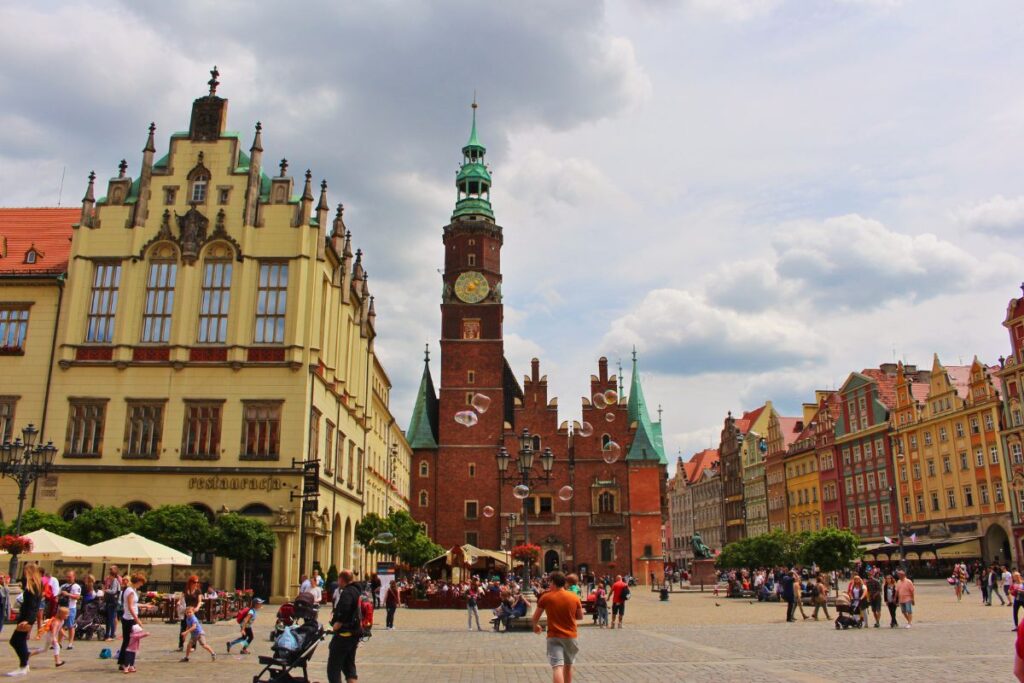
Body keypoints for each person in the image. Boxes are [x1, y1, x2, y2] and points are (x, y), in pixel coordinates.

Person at [532, 571, 583, 683]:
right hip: (571, 636)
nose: (549, 584)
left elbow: (535, 617)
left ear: (553, 582)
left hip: (554, 635)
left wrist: (536, 626)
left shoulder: (546, 597)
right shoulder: (574, 597)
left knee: (557, 667)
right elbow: (580, 617)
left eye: (549, 582)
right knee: (568, 665)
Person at [327, 569, 362, 683]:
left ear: (341, 580)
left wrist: (338, 622)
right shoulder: (356, 590)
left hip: (344, 634)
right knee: (348, 666)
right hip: (354, 633)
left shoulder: (347, 592)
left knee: (333, 667)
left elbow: (345, 608)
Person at [7, 564, 42, 677]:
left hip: (27, 618)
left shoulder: (32, 586)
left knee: (15, 641)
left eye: (25, 570)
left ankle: (23, 665)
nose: (24, 572)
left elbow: (33, 605)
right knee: (20, 640)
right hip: (27, 618)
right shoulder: (35, 585)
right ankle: (25, 664)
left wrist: (27, 620)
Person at [117, 572, 145, 671]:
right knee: (129, 642)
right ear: (137, 581)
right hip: (129, 619)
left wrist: (145, 605)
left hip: (129, 618)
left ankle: (123, 662)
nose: (141, 585)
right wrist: (137, 620)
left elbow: (133, 604)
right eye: (141, 583)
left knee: (127, 641)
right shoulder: (130, 591)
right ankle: (125, 663)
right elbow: (130, 607)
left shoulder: (132, 589)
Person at [178, 575, 203, 651]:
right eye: (195, 582)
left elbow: (199, 601)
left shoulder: (198, 591)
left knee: (194, 629)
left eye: (197, 582)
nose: (196, 583)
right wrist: (179, 602)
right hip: (186, 611)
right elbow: (181, 598)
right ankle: (181, 645)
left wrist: (197, 608)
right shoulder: (185, 590)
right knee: (183, 628)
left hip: (194, 612)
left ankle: (193, 646)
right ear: (190, 582)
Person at [58, 570, 80, 651]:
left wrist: (67, 594)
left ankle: (70, 643)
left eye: (70, 576)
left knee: (70, 626)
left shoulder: (76, 586)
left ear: (74, 577)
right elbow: (58, 594)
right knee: (60, 625)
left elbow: (77, 597)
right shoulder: (63, 586)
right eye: (67, 576)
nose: (68, 578)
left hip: (71, 608)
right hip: (62, 607)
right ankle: (59, 643)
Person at [102, 566, 121, 642]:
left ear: (112, 575)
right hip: (111, 602)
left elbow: (113, 591)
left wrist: (106, 590)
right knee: (111, 619)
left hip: (112, 602)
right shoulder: (113, 581)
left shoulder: (115, 581)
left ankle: (109, 635)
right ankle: (110, 635)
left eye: (110, 576)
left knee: (110, 619)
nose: (108, 578)